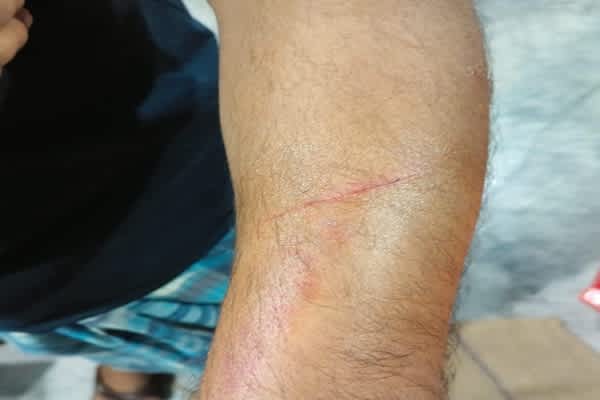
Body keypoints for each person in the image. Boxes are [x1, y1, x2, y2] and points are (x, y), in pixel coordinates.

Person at [0, 0, 490, 399]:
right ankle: (129, 372)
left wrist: (337, 368)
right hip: (34, 302)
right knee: (123, 341)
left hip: (177, 204)